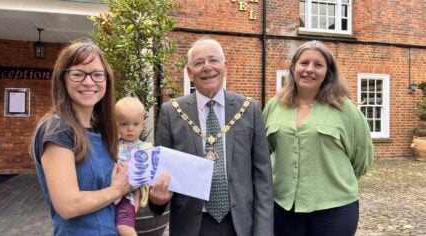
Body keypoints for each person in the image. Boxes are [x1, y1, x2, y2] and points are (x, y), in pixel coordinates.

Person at [149, 37, 273, 236]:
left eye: (213, 60)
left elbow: (262, 177)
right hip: (192, 226)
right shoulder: (171, 113)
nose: (207, 67)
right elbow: (161, 174)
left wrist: (264, 231)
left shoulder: (249, 109)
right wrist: (157, 199)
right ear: (190, 73)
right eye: (198, 63)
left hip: (240, 224)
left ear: (225, 66)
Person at [263, 40, 374, 235]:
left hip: (334, 208)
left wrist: (333, 180)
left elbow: (362, 157)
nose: (309, 70)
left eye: (318, 65)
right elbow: (264, 150)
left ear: (328, 72)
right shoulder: (275, 105)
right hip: (283, 207)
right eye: (304, 63)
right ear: (293, 67)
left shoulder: (344, 108)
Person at [30, 41, 132, 235]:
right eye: (77, 74)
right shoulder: (57, 129)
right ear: (63, 79)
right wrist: (117, 190)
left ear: (106, 81)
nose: (88, 82)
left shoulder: (100, 130)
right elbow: (68, 206)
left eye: (97, 74)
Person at [114, 96, 153, 236]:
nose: (130, 129)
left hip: (127, 197)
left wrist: (137, 191)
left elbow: (148, 176)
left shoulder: (147, 149)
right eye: (124, 124)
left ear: (143, 124)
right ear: (115, 124)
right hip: (106, 195)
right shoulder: (112, 145)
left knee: (124, 226)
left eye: (135, 124)